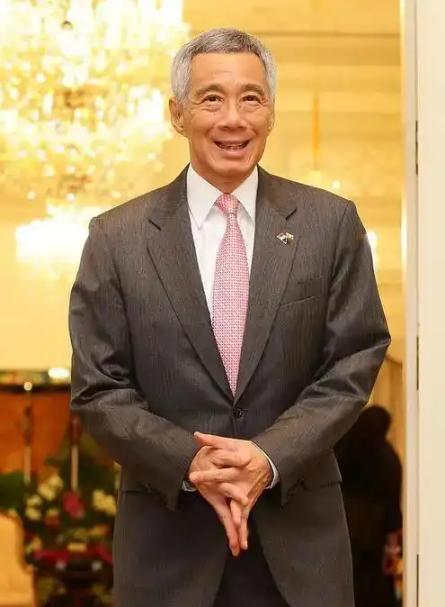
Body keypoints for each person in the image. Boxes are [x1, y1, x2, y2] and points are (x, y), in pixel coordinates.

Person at [69, 28, 390, 607]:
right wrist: (193, 463)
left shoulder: (330, 224)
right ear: (177, 113)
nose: (233, 119)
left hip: (300, 550)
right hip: (168, 548)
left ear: (272, 112)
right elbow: (99, 387)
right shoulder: (117, 238)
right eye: (211, 98)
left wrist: (269, 456)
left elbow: (353, 359)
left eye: (251, 98)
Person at [336, 405, 403, 607]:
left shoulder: (342, 448)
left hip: (343, 526)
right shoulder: (388, 458)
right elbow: (392, 508)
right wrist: (393, 550)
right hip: (373, 536)